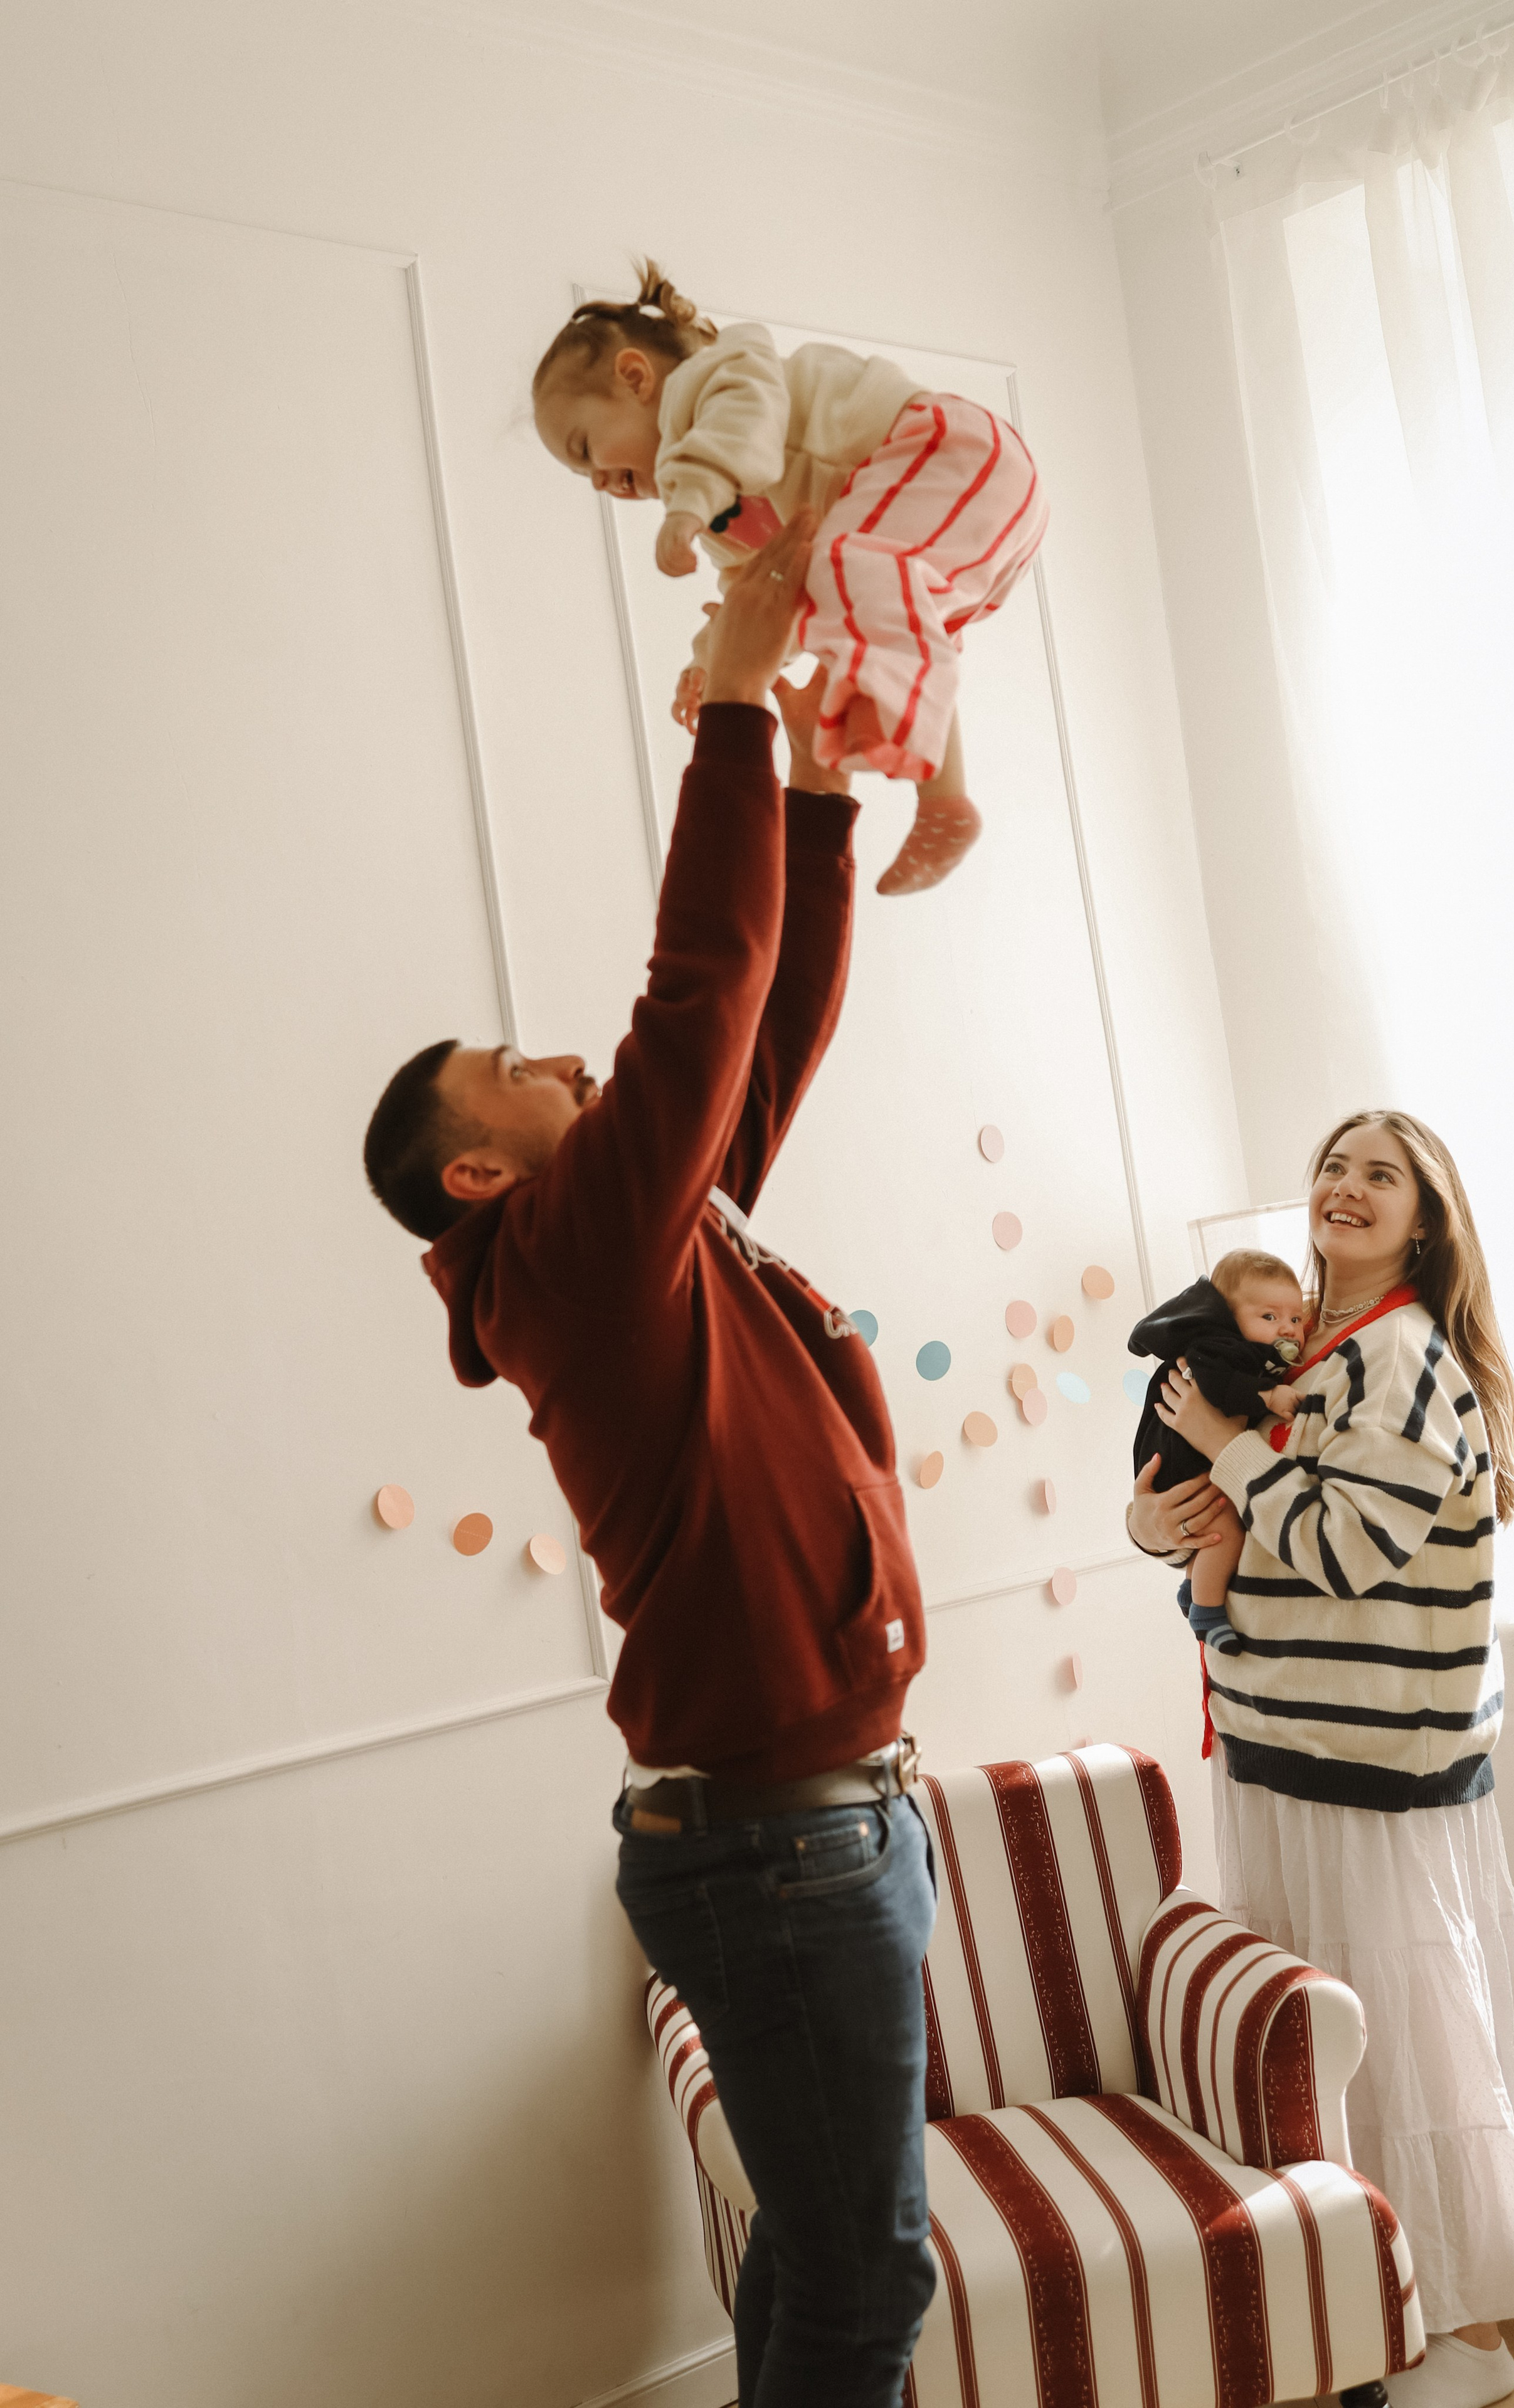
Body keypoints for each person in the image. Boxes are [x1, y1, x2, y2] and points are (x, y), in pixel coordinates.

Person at [362, 515, 938, 2408]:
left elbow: (755, 1036)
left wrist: (828, 804)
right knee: (866, 2281)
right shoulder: (573, 1252)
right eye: (525, 1064)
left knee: (821, 2251)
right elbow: (696, 997)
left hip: (817, 1823)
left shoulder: (649, 1236)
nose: (565, 1066)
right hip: (781, 1846)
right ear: (480, 1168)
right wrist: (726, 707)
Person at [1128, 1111, 1514, 2408]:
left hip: (1358, 1762)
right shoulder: (1306, 1350)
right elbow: (1239, 1521)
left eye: (1377, 1176)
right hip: (1288, 1737)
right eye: (1331, 1168)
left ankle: (1458, 2328)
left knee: (1394, 2038)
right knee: (1340, 2032)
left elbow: (1339, 1548)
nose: (1343, 1187)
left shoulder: (1397, 1355)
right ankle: (1383, 2301)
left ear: (1422, 1219)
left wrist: (1226, 1446)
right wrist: (1160, 1510)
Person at [531, 261, 1047, 897]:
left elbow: (742, 432)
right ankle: (945, 804)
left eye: (586, 450)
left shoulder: (722, 375)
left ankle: (914, 759)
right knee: (859, 609)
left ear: (635, 377)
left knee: (850, 567)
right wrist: (712, 666)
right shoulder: (729, 521)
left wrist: (688, 501)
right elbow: (760, 598)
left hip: (953, 452)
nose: (601, 484)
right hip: (964, 526)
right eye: (583, 478)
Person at [1126, 1247, 1305, 1654]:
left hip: (1184, 1460)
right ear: (1229, 1314)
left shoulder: (1235, 1347)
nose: (1289, 1329)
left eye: (1296, 1319)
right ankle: (1207, 1609)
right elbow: (1219, 1387)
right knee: (1224, 1527)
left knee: (1217, 1524)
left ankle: (1193, 1589)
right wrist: (1268, 1395)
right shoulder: (1219, 1347)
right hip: (1179, 1463)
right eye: (1270, 1317)